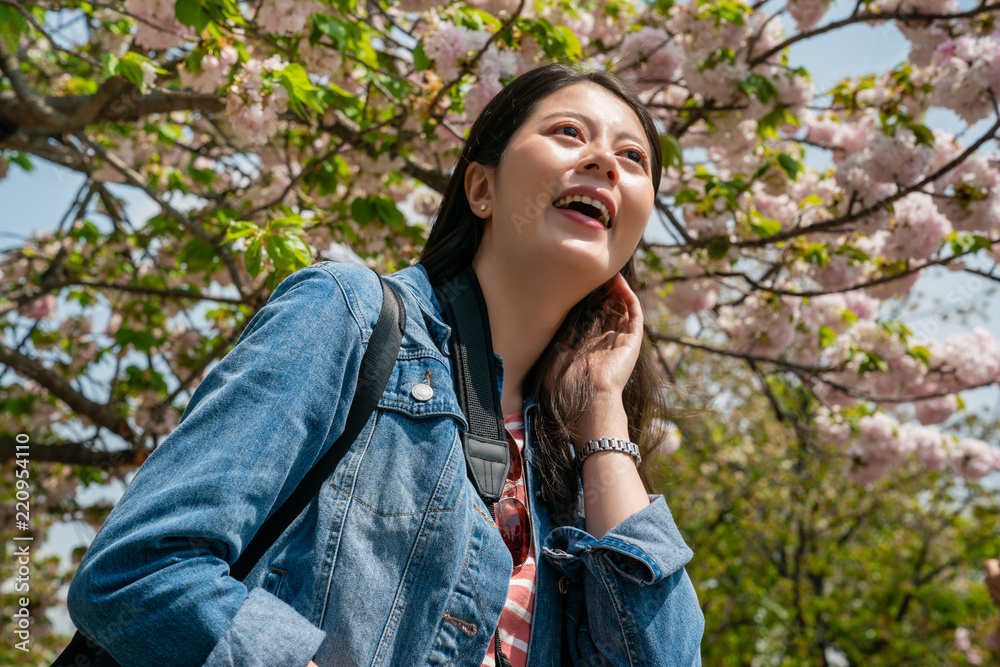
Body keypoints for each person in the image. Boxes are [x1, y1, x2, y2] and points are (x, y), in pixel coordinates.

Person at [67, 62, 705, 666]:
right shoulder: (347, 313)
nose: (604, 162)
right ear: (481, 188)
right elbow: (138, 569)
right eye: (569, 132)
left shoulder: (571, 465)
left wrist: (601, 419)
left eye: (633, 157)